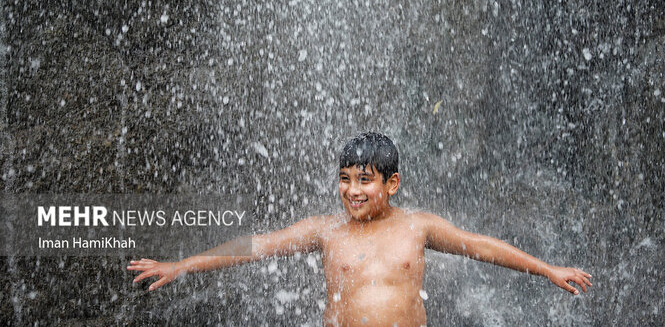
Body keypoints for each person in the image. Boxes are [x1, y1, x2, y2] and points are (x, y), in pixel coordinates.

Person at [128, 132, 592, 326]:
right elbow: (254, 246)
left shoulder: (417, 226)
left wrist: (547, 269)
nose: (353, 191)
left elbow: (480, 246)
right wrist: (182, 264)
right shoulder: (326, 231)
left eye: (365, 181)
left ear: (391, 184)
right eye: (345, 180)